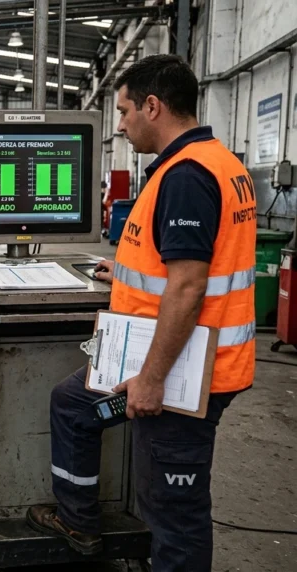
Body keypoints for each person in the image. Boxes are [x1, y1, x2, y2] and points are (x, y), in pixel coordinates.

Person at [26, 54, 256, 571]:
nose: (123, 125)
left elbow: (190, 285)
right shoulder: (218, 162)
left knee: (175, 512)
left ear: (153, 106)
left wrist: (151, 381)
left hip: (183, 381)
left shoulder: (187, 176)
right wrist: (125, 272)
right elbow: (184, 263)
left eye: (126, 111)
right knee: (74, 406)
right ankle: (79, 520)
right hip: (173, 365)